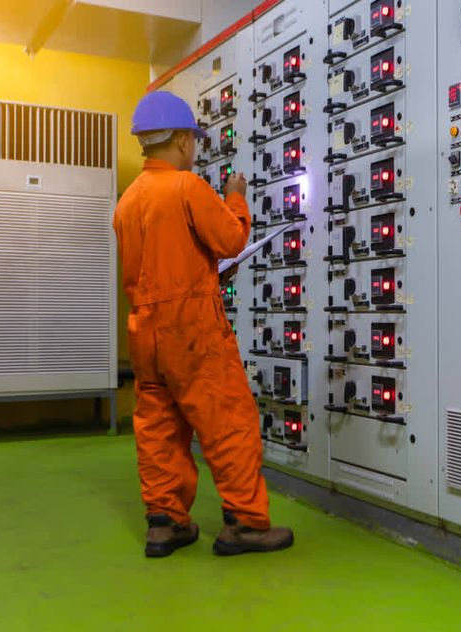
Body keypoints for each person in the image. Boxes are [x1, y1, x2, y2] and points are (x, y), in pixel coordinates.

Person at [113, 91, 293, 558]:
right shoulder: (187, 188)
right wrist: (236, 197)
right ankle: (246, 525)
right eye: (193, 139)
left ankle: (165, 522)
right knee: (227, 419)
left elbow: (161, 264)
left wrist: (210, 272)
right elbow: (231, 238)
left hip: (145, 333)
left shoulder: (128, 201)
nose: (194, 148)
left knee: (159, 425)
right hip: (191, 330)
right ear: (180, 140)